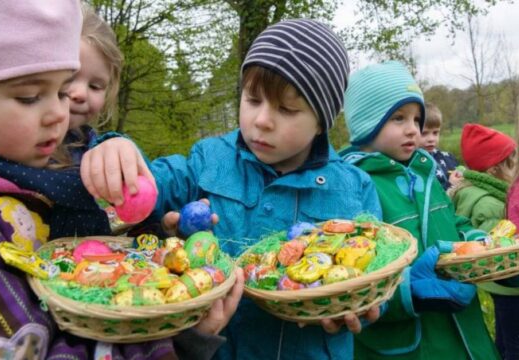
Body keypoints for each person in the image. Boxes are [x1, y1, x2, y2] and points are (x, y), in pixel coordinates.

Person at [0, 1, 241, 358]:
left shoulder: (32, 178)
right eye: (30, 96)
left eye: (60, 91)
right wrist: (174, 340)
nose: (60, 112)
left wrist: (160, 249)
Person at [82, 19, 383, 359]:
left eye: (286, 109)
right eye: (253, 99)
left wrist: (361, 308)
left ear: (321, 122)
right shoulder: (209, 159)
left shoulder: (354, 189)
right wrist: (117, 151)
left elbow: (375, 275)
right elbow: (153, 182)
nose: (262, 120)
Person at [341, 61, 500, 359]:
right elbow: (352, 278)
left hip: (465, 335)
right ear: (366, 123)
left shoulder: (425, 172)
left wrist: (484, 247)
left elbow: (452, 221)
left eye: (416, 119)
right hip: (413, 345)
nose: (413, 129)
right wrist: (408, 292)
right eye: (398, 118)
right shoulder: (355, 187)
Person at [451, 123, 519, 359]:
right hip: (509, 285)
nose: (515, 170)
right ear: (493, 171)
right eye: (511, 164)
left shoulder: (480, 193)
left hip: (500, 288)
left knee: (506, 335)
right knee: (515, 343)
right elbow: (500, 250)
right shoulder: (489, 205)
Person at [65, 5, 123, 164]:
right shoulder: (3, 140)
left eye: (95, 87)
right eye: (69, 77)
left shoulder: (95, 151)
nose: (81, 94)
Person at [419, 102, 459, 190]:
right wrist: (450, 185)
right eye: (424, 133)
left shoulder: (448, 157)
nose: (431, 139)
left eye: (435, 132)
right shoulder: (413, 165)